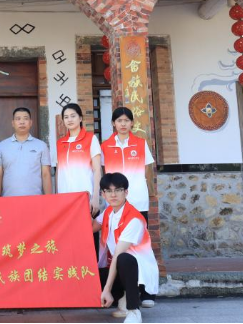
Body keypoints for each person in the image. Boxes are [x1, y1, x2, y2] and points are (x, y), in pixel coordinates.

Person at [96, 173, 159, 324]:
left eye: (118, 190)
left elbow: (118, 255)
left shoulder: (133, 219)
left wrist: (107, 289)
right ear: (103, 194)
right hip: (119, 268)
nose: (113, 195)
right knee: (90, 274)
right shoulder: (108, 212)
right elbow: (90, 227)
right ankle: (122, 299)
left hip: (138, 273)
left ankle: (133, 310)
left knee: (124, 259)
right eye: (109, 191)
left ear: (126, 192)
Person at [101, 107, 155, 224]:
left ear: (132, 123)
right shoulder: (105, 146)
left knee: (140, 232)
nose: (123, 124)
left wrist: (138, 181)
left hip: (138, 197)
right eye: (119, 120)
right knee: (115, 231)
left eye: (126, 120)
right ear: (113, 123)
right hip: (114, 199)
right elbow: (104, 171)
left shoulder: (141, 143)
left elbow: (146, 168)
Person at [55, 103, 102, 215]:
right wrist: (56, 195)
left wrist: (96, 197)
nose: (69, 119)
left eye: (73, 116)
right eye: (66, 117)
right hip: (64, 197)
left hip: (85, 196)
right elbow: (58, 171)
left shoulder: (91, 139)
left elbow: (97, 170)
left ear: (80, 118)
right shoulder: (60, 143)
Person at [0, 107, 52, 197]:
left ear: (31, 122)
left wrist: (49, 199)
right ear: (13, 123)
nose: (22, 122)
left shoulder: (41, 146)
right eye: (18, 119)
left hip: (35, 199)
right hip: (8, 199)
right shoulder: (1, 147)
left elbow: (46, 174)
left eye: (25, 118)